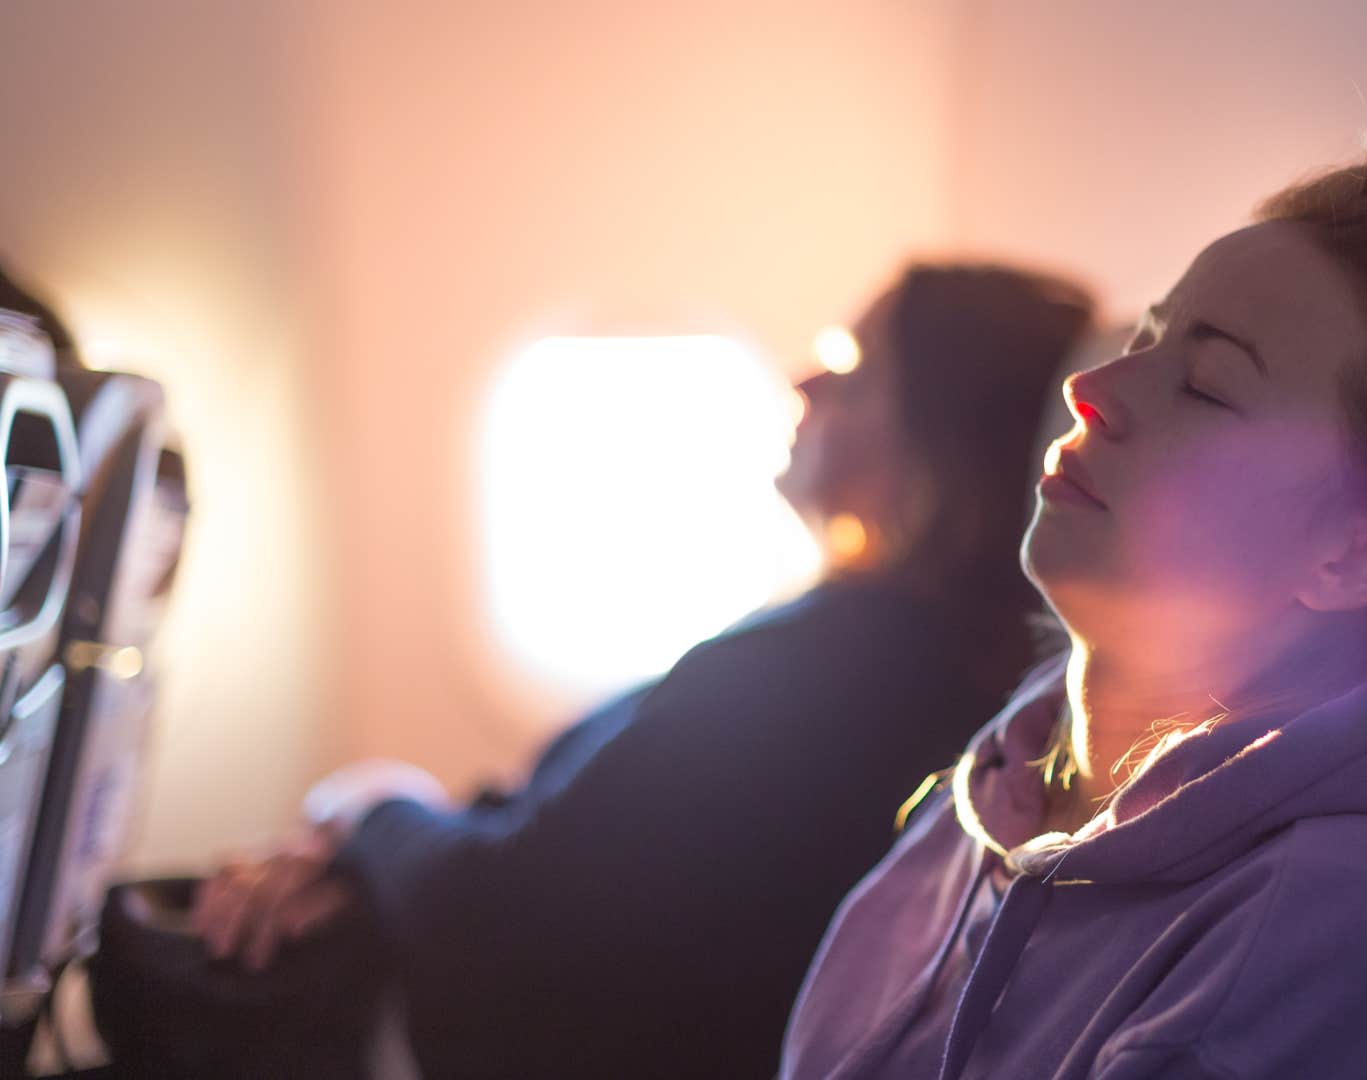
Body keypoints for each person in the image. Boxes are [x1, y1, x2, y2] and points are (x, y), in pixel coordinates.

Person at [781, 138, 1367, 1079]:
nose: (1088, 394)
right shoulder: (1007, 782)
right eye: (1146, 340)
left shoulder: (1331, 911)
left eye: (1207, 388)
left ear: (1350, 556)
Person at [191, 263, 1095, 1078]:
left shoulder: (812, 676)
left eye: (855, 372)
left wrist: (368, 801)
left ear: (943, 448)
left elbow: (492, 922)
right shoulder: (951, 671)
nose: (803, 379)